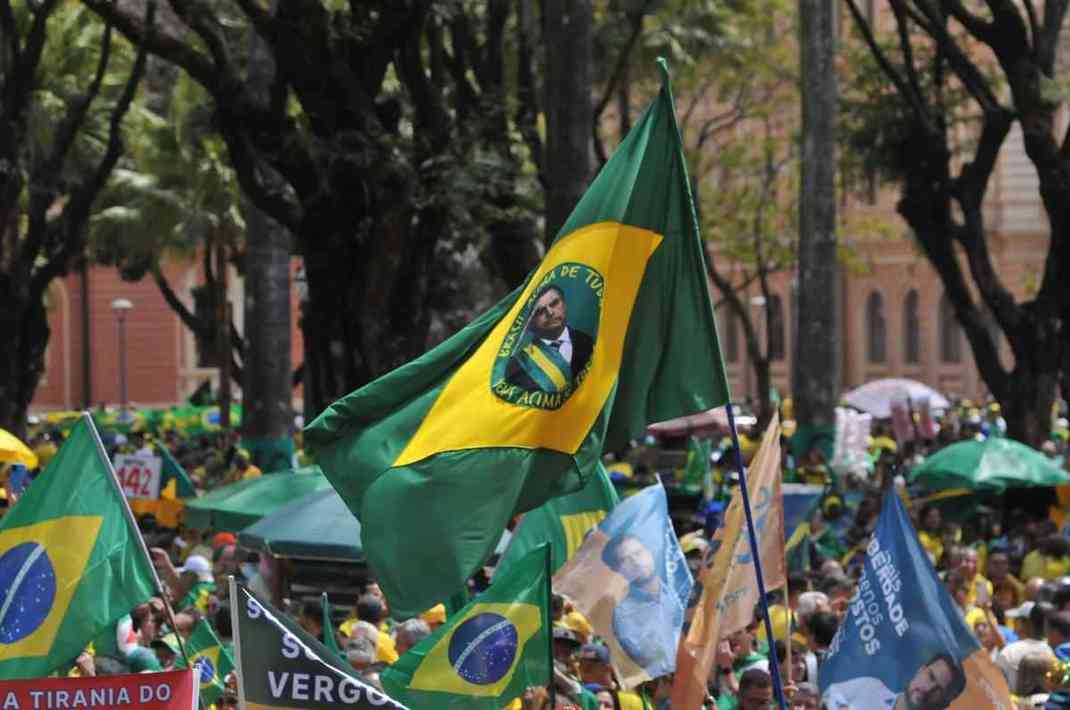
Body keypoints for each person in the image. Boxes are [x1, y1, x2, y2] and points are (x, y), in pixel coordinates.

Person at [600, 533, 681, 674]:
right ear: (617, 570)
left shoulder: (681, 591)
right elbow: (647, 659)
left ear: (649, 552)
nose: (637, 562)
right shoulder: (623, 616)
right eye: (626, 560)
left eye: (639, 552)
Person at [505, 285, 594, 393]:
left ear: (564, 304)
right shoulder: (521, 365)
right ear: (529, 323)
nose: (550, 313)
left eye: (554, 303)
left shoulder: (589, 341)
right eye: (540, 311)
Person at [825, 652, 967, 709]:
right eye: (931, 676)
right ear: (921, 669)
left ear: (944, 703)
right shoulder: (871, 685)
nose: (927, 689)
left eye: (939, 690)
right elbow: (828, 692)